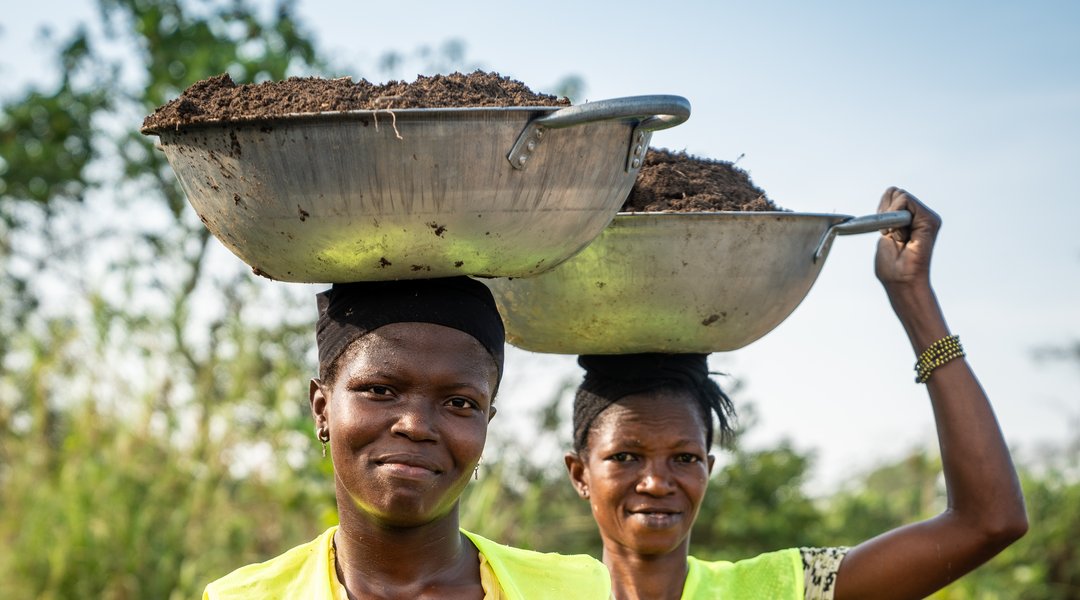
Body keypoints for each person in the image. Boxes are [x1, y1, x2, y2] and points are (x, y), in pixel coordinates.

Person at [563, 188, 1028, 600]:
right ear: (579, 472)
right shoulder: (517, 585)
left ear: (710, 467)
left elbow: (989, 521)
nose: (657, 482)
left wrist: (913, 296)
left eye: (685, 458)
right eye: (625, 456)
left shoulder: (788, 588)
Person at [204, 277, 611, 599]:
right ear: (322, 409)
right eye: (380, 391)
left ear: (488, 421)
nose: (415, 425)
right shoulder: (243, 596)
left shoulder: (580, 589)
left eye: (459, 402)